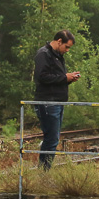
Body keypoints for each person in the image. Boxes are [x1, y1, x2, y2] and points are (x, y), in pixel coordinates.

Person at [33, 29, 81, 169]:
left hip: (57, 102)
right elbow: (42, 77)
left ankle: (44, 170)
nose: (67, 50)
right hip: (48, 102)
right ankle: (44, 172)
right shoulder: (44, 54)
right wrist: (65, 77)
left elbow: (55, 78)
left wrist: (68, 78)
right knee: (51, 139)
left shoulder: (57, 56)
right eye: (66, 47)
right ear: (59, 41)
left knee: (53, 138)